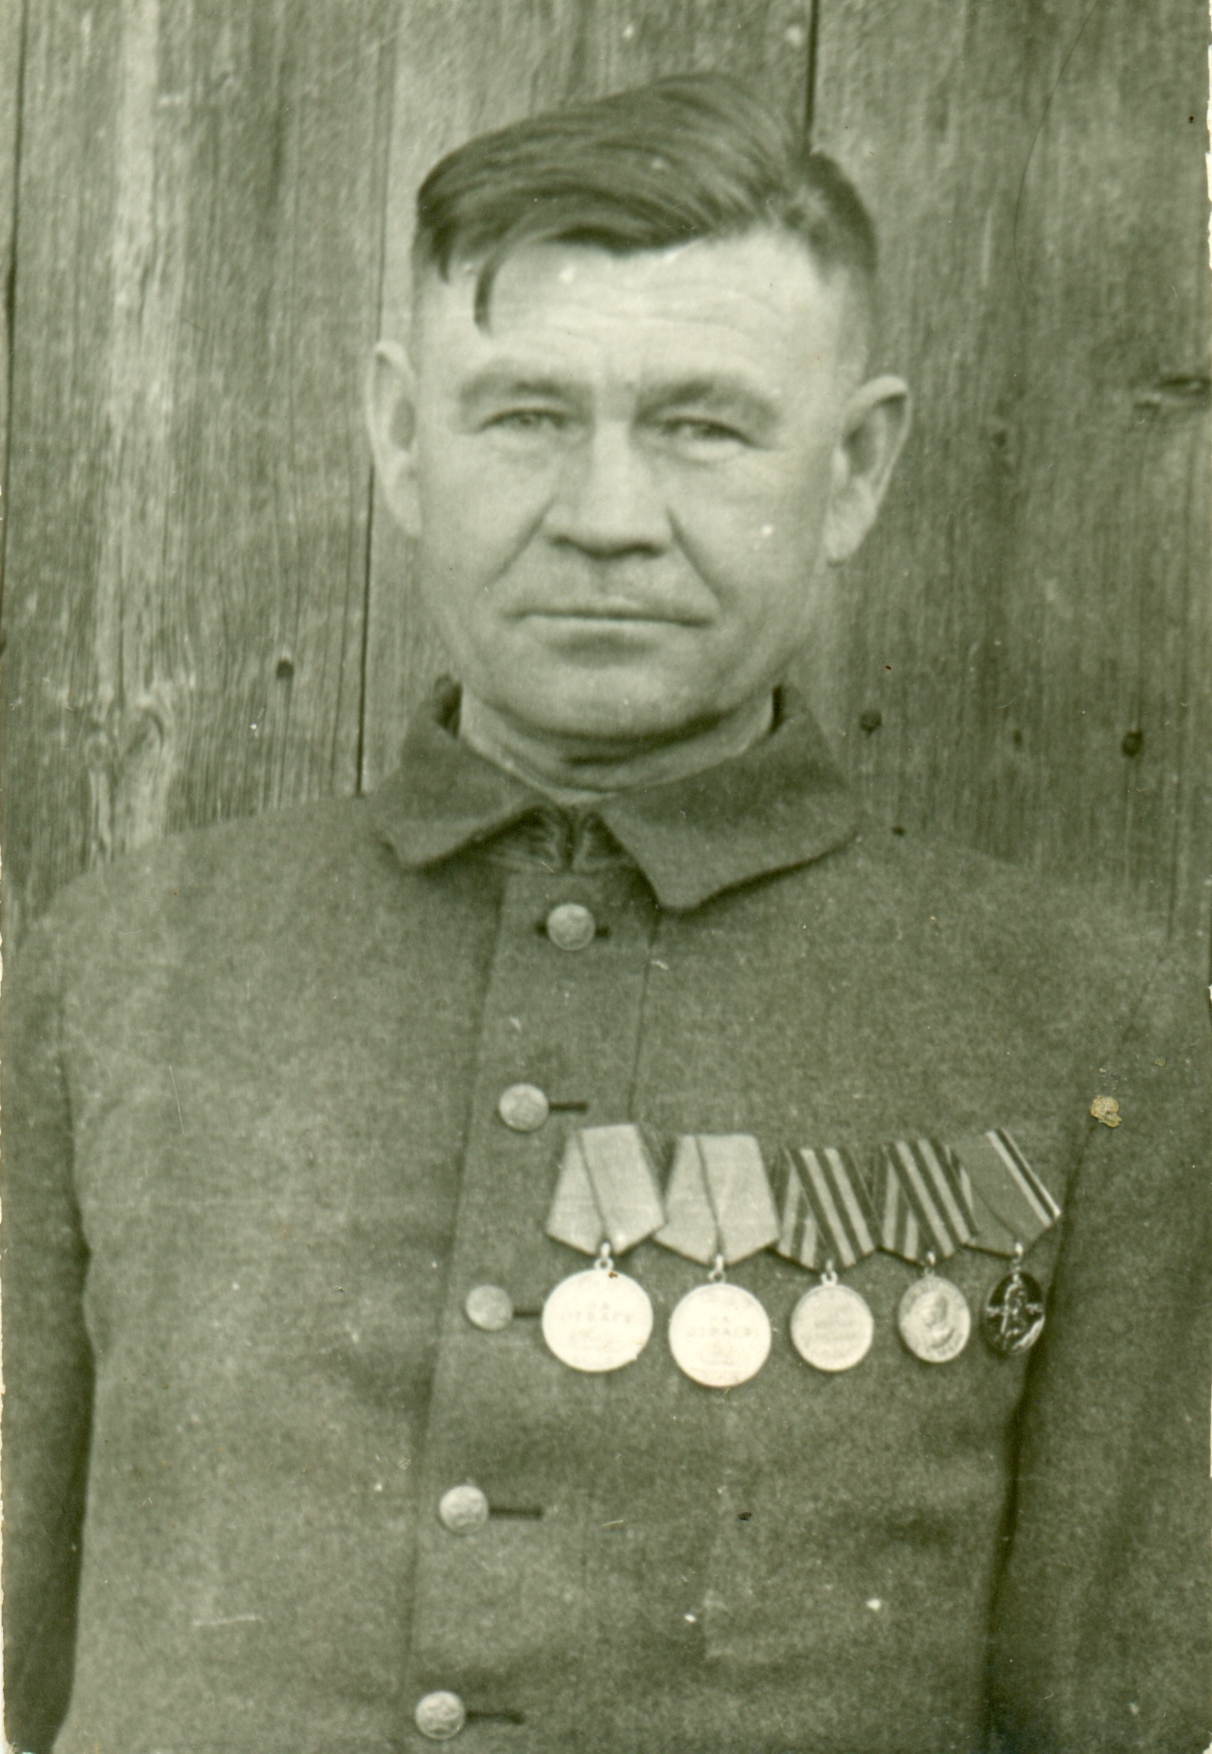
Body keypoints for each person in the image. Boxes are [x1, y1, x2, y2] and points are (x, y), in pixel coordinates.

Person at [4, 73, 1208, 1754]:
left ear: (854, 468)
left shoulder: (1085, 1018)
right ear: (401, 440)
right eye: (523, 417)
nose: (606, 518)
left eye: (705, 427)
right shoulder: (128, 960)